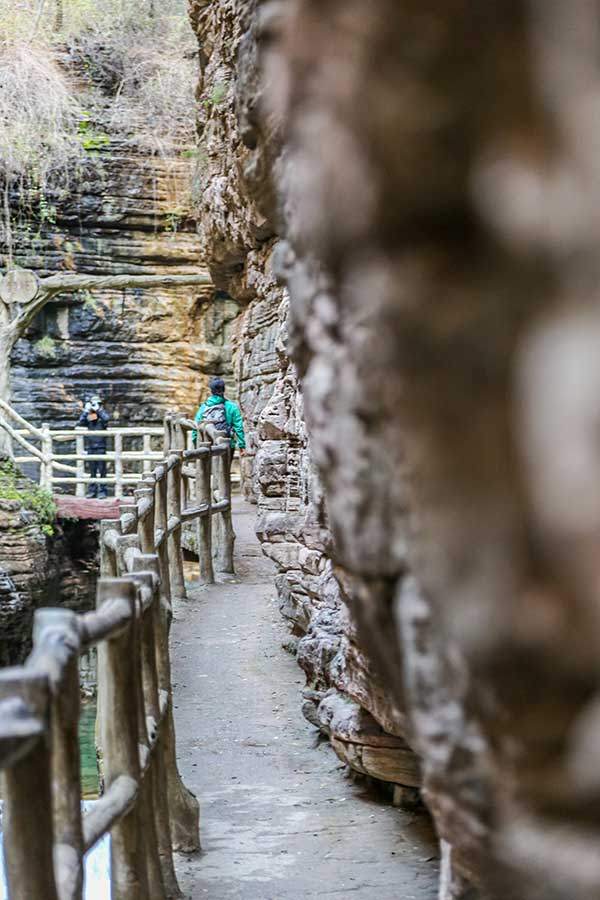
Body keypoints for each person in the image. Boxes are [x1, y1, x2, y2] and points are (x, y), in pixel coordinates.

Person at [194, 377, 246, 455]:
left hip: (207, 444)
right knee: (225, 467)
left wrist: (195, 443)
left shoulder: (204, 407)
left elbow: (196, 426)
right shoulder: (232, 407)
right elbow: (238, 427)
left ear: (211, 391)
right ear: (224, 390)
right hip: (227, 443)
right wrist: (241, 445)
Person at [78, 395, 110, 498]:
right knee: (92, 471)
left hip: (101, 447)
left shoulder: (102, 415)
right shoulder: (91, 416)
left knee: (102, 471)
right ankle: (92, 491)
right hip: (91, 447)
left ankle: (103, 491)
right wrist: (86, 411)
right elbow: (81, 422)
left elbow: (106, 419)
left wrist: (99, 410)